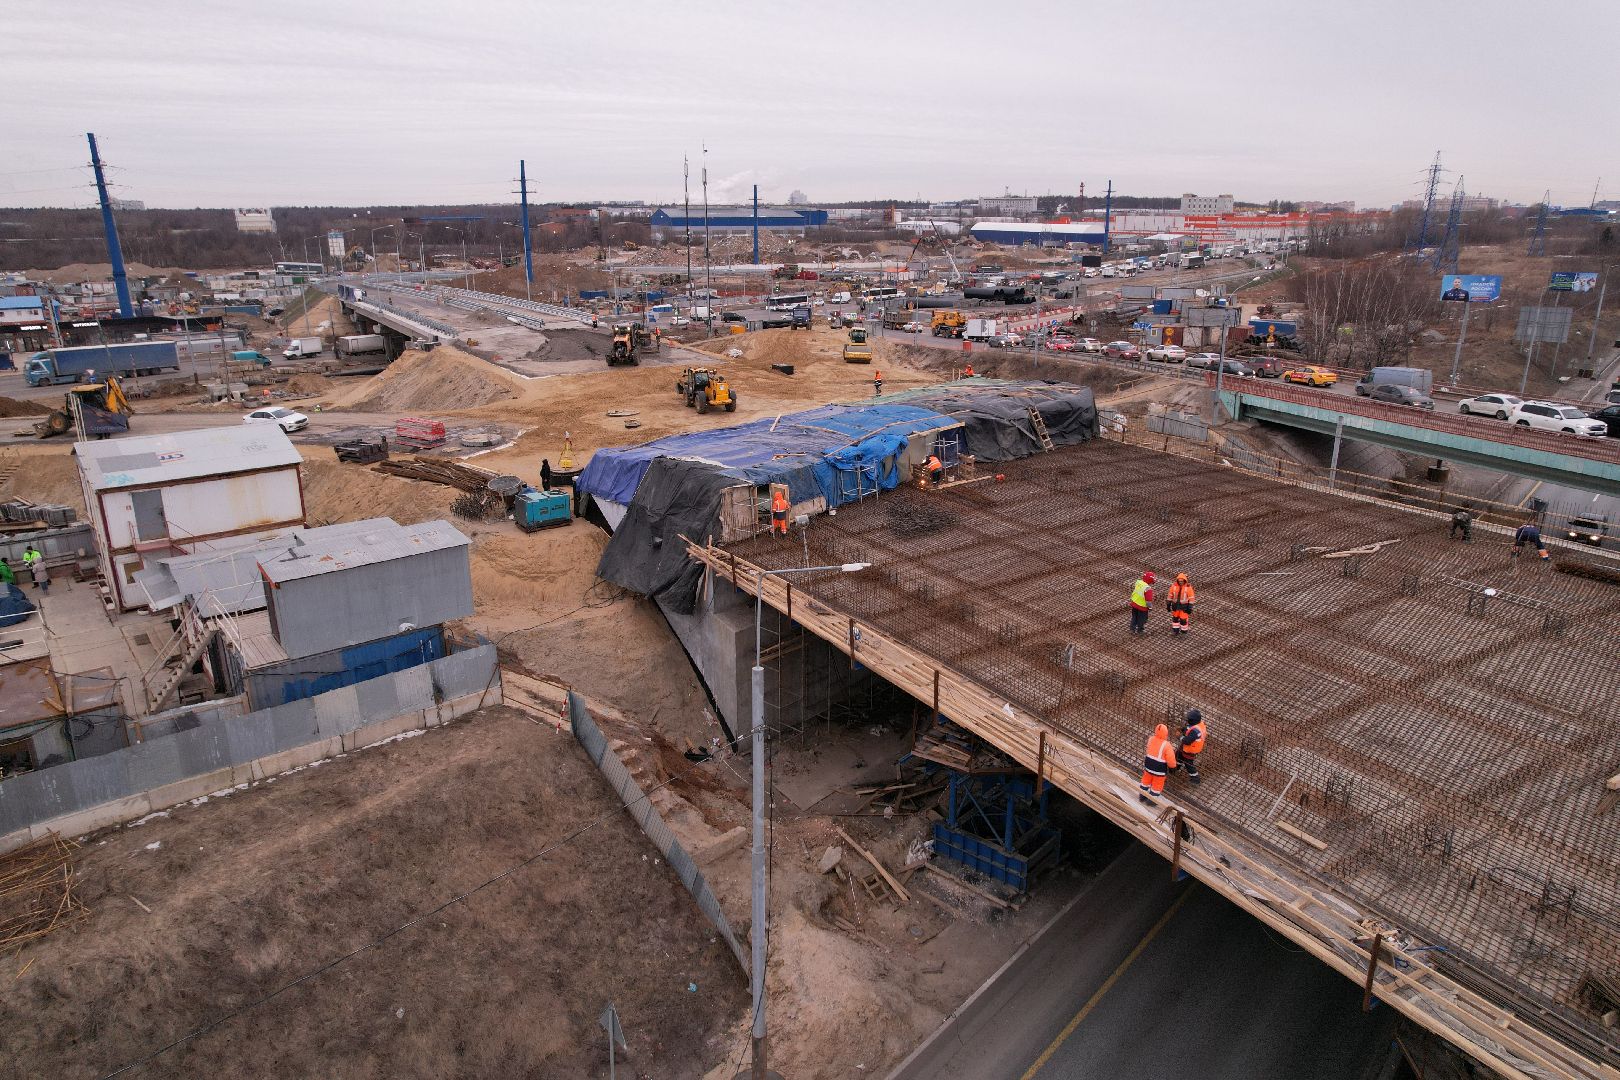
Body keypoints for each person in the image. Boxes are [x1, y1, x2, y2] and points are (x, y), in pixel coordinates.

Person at [1139, 723, 1178, 804]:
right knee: (1157, 784)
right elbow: (1170, 758)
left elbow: (1149, 749)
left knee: (1146, 780)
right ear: (1166, 733)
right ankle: (1152, 800)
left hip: (1148, 764)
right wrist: (1172, 767)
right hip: (1159, 769)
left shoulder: (1151, 739)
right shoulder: (1167, 745)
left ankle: (1142, 795)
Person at [1176, 708, 1206, 784]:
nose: (1187, 720)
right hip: (1186, 748)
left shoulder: (1195, 731)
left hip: (1191, 750)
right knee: (1178, 756)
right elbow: (1189, 728)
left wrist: (1179, 736)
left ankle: (1195, 779)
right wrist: (1183, 729)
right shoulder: (1197, 724)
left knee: (1188, 764)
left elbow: (1187, 741)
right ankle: (1175, 768)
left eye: (1188, 719)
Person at [1129, 571, 1155, 635]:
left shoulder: (1138, 582)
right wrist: (1150, 607)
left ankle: (1132, 629)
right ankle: (1140, 630)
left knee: (1134, 616)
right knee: (1142, 619)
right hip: (1142, 607)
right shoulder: (1148, 589)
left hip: (1134, 603)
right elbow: (1148, 602)